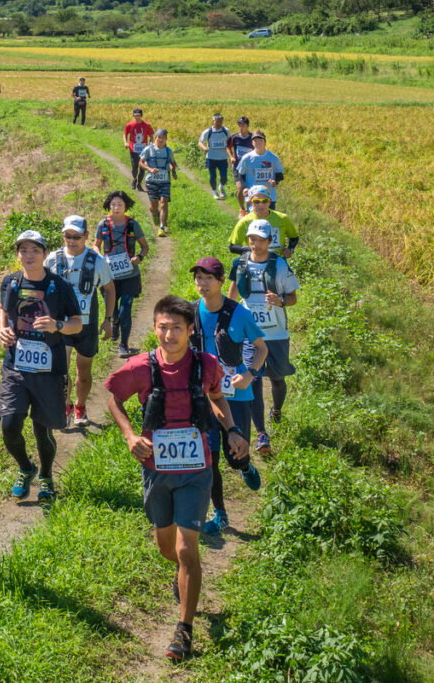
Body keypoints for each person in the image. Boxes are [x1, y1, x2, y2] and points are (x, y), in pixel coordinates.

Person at [105, 296, 249, 663]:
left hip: (197, 469)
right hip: (156, 469)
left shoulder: (207, 365)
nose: (169, 335)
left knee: (188, 550)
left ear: (189, 331)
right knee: (166, 547)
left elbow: (216, 397)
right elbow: (112, 399)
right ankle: (183, 574)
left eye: (177, 328)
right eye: (163, 327)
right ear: (154, 328)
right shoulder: (139, 367)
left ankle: (183, 630)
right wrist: (128, 435)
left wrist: (231, 429)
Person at [0, 230, 83, 503]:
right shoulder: (10, 282)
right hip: (16, 366)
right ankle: (26, 468)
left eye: (35, 250)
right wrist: (1, 329)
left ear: (45, 254)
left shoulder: (60, 286)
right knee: (9, 425)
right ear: (17, 255)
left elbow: (77, 322)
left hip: (49, 370)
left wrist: (57, 325)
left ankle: (46, 476)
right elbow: (3, 308)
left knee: (41, 429)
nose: (29, 256)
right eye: (23, 250)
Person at [189, 257, 269, 535]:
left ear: (222, 281)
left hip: (236, 395)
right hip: (205, 396)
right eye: (198, 278)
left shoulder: (239, 314)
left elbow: (261, 348)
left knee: (234, 453)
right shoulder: (191, 313)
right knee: (208, 460)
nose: (202, 283)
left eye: (208, 278)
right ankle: (220, 514)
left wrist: (249, 374)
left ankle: (245, 466)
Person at [227, 219, 299, 430]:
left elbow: (293, 297)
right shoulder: (240, 264)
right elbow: (233, 293)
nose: (255, 244)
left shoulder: (280, 265)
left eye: (260, 240)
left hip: (276, 333)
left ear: (269, 241)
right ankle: (258, 428)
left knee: (277, 378)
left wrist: (281, 300)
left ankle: (276, 411)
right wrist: (227, 318)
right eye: (251, 239)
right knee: (253, 377)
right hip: (251, 332)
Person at [45, 215, 115, 426]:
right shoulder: (52, 259)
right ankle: (66, 404)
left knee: (83, 371)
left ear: (86, 235)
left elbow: (109, 289)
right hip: (62, 325)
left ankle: (80, 406)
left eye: (77, 236)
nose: (72, 240)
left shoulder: (97, 261)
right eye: (68, 236)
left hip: (88, 325)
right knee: (62, 370)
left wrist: (108, 319)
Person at [94, 191, 149, 359]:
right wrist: (101, 258)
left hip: (130, 274)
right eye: (113, 204)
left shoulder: (133, 225)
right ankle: (115, 322)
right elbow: (96, 245)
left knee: (126, 309)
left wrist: (139, 258)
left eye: (120, 204)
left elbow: (145, 247)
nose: (116, 207)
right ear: (109, 206)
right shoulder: (103, 225)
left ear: (125, 206)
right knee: (114, 311)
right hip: (109, 275)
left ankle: (124, 344)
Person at [228, 184, 300, 260]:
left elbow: (294, 237)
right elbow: (233, 247)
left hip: (278, 261)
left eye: (265, 201)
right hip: (254, 261)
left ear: (270, 202)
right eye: (256, 201)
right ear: (250, 202)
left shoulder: (282, 218)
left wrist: (290, 249)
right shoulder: (245, 221)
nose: (261, 205)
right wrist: (254, 249)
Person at [140, 128, 178, 237]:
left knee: (164, 202)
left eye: (163, 138)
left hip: (165, 181)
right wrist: (150, 170)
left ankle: (162, 227)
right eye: (159, 137)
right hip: (151, 181)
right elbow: (141, 163)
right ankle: (154, 212)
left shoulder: (168, 151)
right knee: (154, 206)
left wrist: (173, 171)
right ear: (155, 138)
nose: (160, 140)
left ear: (166, 139)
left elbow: (172, 163)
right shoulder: (148, 149)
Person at [235, 131, 284, 209]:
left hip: (269, 196)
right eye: (255, 140)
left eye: (260, 140)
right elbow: (241, 175)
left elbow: (280, 175)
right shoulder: (246, 158)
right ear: (252, 143)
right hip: (253, 196)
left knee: (268, 220)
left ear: (265, 142)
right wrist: (244, 187)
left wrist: (275, 181)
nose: (258, 142)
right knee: (255, 220)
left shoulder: (273, 158)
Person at [198, 112, 231, 200]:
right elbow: (200, 142)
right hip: (211, 158)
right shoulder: (208, 131)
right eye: (217, 121)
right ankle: (215, 192)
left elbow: (230, 142)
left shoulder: (226, 131)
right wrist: (204, 148)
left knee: (224, 177)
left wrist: (231, 154)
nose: (219, 123)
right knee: (213, 176)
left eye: (221, 121)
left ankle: (221, 186)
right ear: (213, 121)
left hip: (223, 158)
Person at [227, 116, 255, 214]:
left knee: (249, 189)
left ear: (248, 126)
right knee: (240, 189)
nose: (241, 127)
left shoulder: (253, 138)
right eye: (239, 125)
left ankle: (250, 209)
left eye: (243, 125)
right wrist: (231, 157)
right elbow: (227, 147)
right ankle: (242, 208)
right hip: (237, 167)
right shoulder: (234, 137)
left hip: (250, 168)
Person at [123, 108, 155, 191]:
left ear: (141, 116)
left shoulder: (147, 125)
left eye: (139, 115)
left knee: (142, 168)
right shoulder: (129, 125)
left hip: (144, 150)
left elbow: (151, 135)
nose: (137, 117)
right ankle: (134, 180)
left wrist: (151, 144)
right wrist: (125, 142)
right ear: (133, 115)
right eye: (135, 115)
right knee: (134, 167)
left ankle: (139, 184)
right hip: (133, 149)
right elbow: (125, 134)